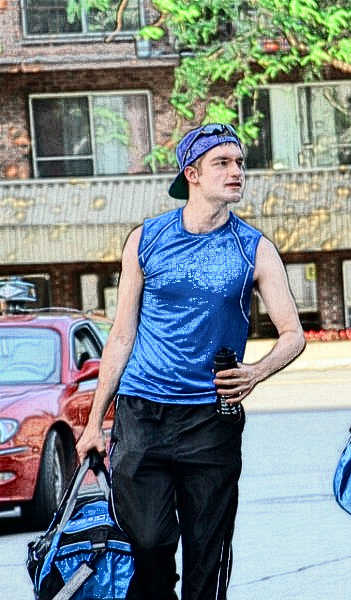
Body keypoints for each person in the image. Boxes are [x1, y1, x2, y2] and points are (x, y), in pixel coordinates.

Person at [75, 123, 305, 599]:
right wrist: (94, 422)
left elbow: (293, 335)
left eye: (239, 163)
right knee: (149, 544)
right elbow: (122, 335)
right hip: (143, 415)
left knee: (207, 555)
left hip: (211, 421)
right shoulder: (146, 239)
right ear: (192, 174)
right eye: (223, 163)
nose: (236, 171)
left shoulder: (254, 248)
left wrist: (256, 373)